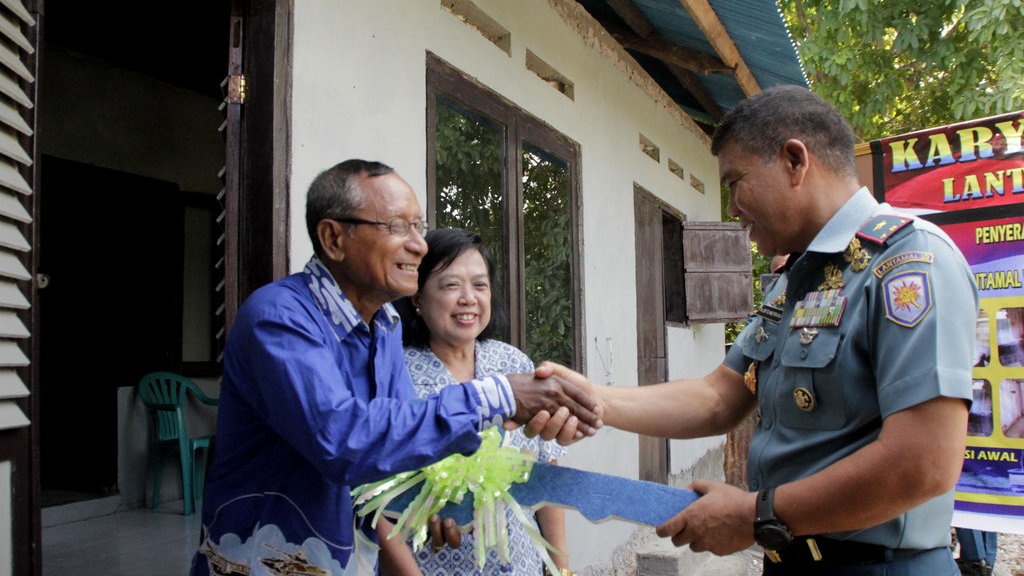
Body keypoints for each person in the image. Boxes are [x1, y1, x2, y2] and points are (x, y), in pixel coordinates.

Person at [540, 85, 979, 575]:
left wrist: (755, 514)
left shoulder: (907, 263)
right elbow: (720, 397)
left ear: (795, 161)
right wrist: (593, 398)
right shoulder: (796, 279)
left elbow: (924, 463)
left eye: (734, 181)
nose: (731, 208)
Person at [188, 159, 601, 576]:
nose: (419, 245)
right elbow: (342, 440)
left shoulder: (384, 327)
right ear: (333, 238)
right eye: (397, 227)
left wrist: (429, 504)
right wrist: (500, 395)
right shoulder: (279, 317)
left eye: (419, 227)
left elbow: (397, 453)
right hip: (265, 561)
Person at [377, 228, 572, 575]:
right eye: (451, 285)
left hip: (521, 564)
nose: (468, 298)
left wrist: (561, 568)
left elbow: (546, 475)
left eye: (479, 285)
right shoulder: (394, 374)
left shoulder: (515, 366)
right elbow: (373, 498)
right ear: (417, 298)